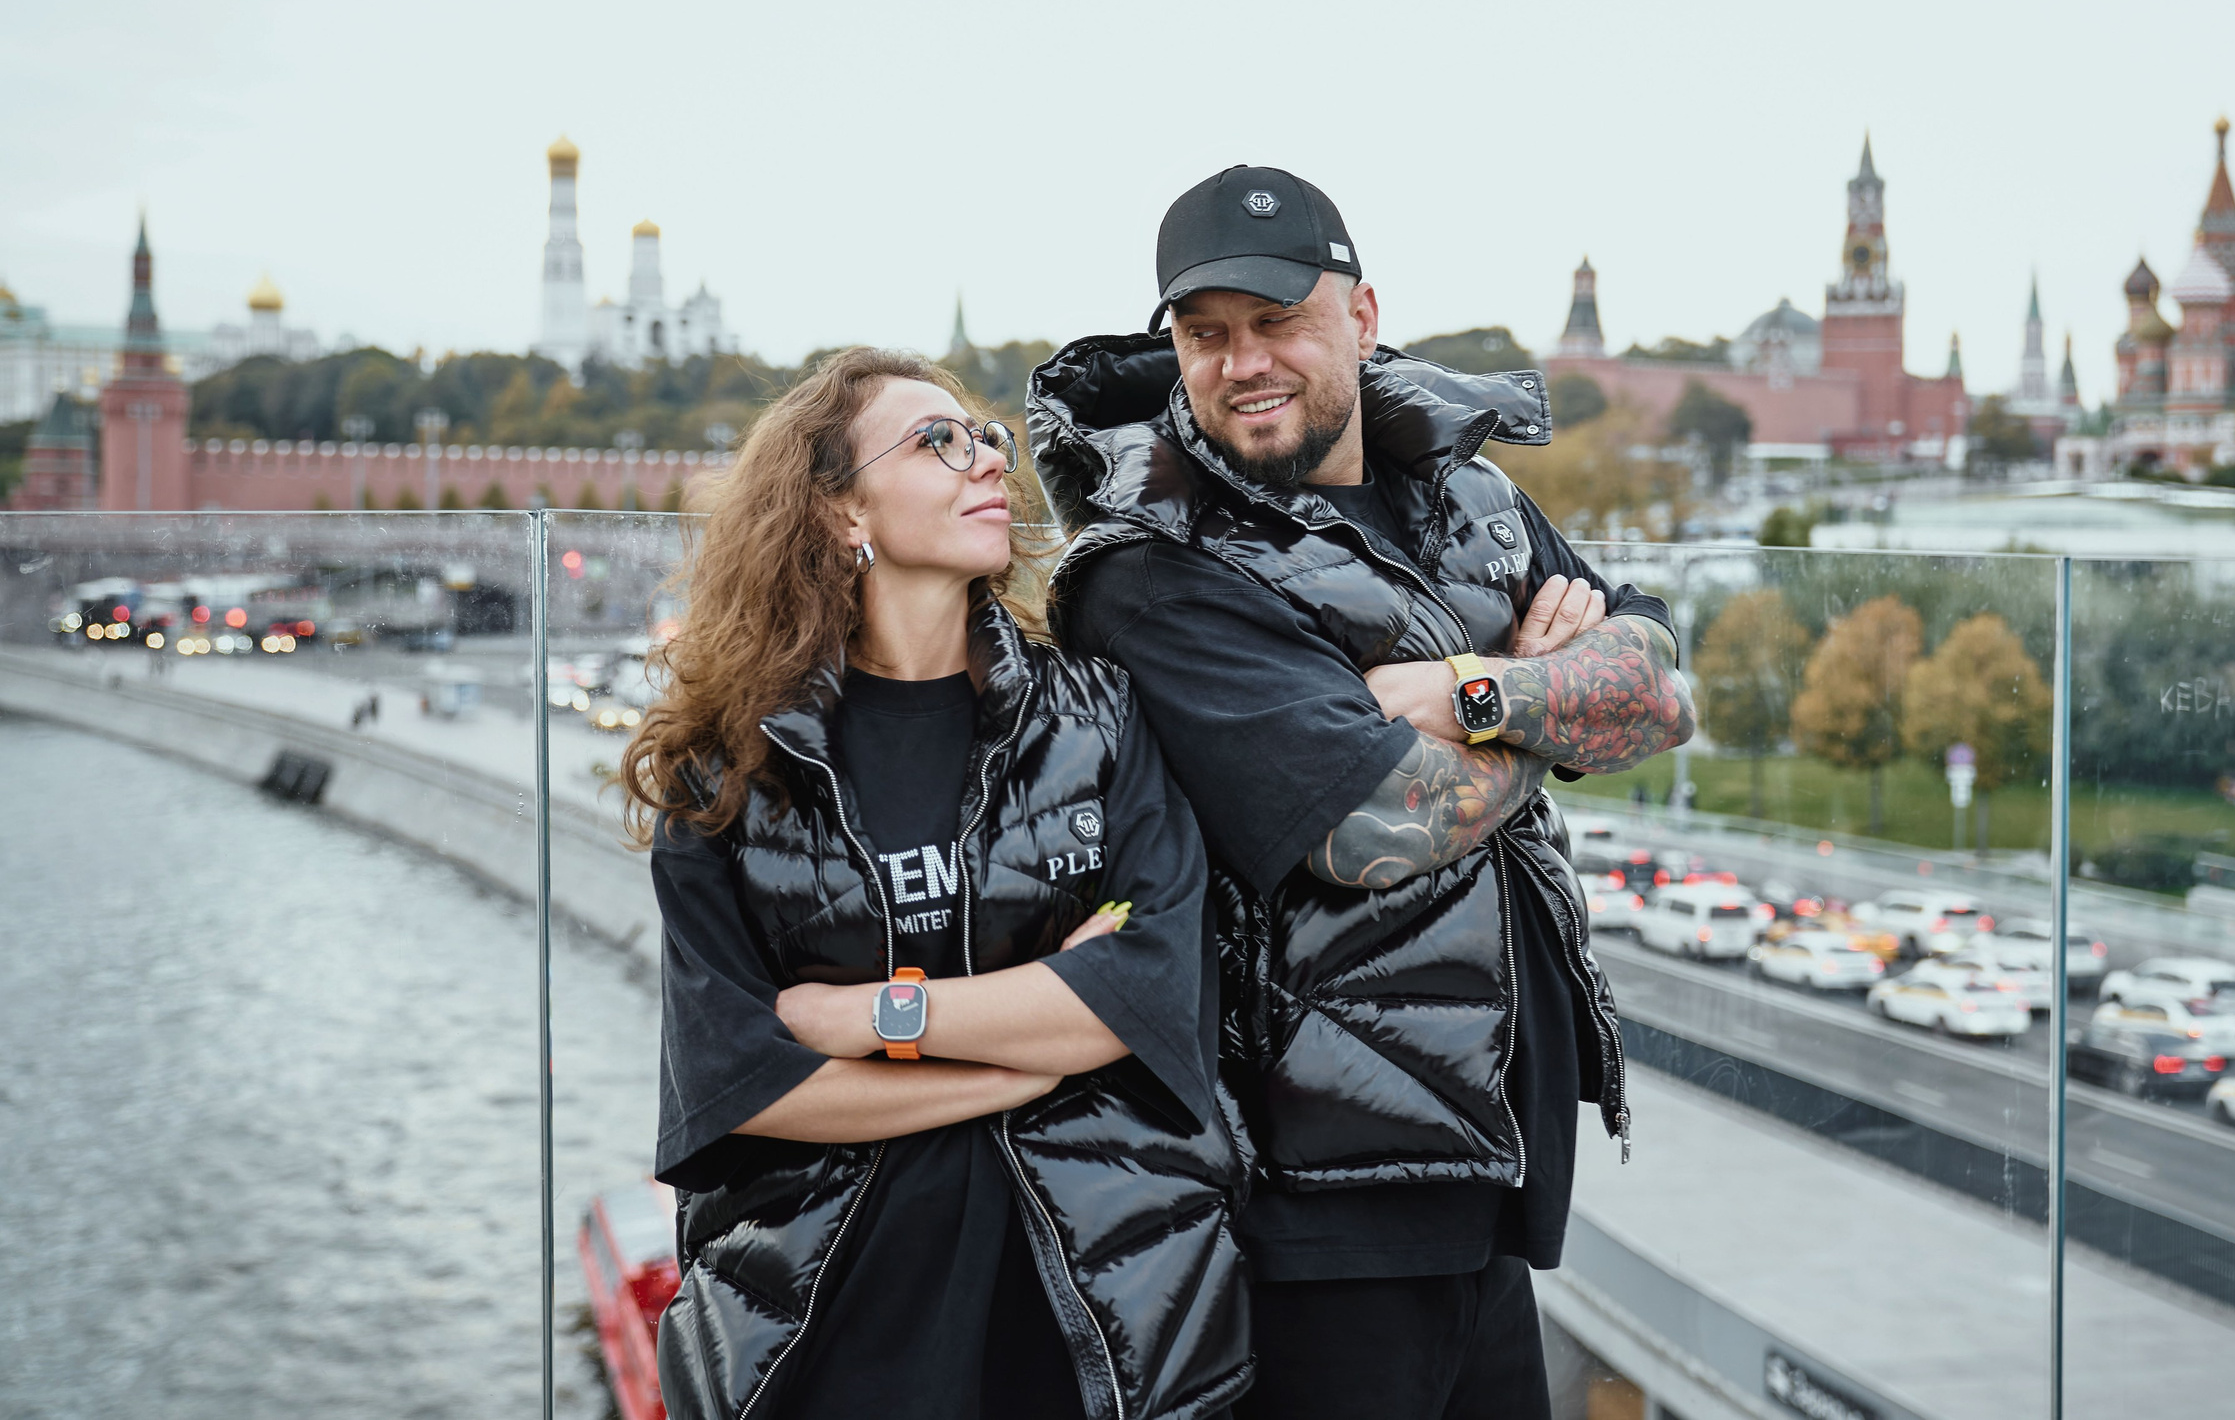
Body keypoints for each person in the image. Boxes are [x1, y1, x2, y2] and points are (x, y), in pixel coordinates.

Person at [1030, 167, 1697, 1420]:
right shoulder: (1154, 565)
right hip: (1308, 1188)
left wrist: (1474, 697)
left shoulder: (1466, 497)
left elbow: (1658, 690)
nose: (1240, 362)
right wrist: (1552, 689)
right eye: (1204, 334)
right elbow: (1369, 823)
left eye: (1275, 320)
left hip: (1483, 1165)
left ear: (1362, 314)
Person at [624, 347, 1252, 1420]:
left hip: (1099, 1316)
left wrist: (865, 1017)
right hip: (823, 1323)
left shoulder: (1095, 717)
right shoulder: (729, 768)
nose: (987, 461)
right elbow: (747, 1089)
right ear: (838, 512)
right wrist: (1036, 1052)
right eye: (936, 442)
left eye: (987, 438)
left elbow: (1148, 992)